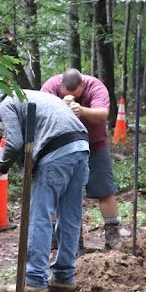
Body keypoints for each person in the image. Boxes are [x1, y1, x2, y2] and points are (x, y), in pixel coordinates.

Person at [0, 90, 89, 292]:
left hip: (57, 151)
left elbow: (14, 142)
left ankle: (34, 280)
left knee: (39, 215)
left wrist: (2, 166)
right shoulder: (32, 96)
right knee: (70, 216)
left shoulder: (7, 103)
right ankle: (63, 278)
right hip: (81, 146)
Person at [41, 68, 122, 251]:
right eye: (67, 94)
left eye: (76, 94)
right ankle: (61, 235)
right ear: (60, 85)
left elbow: (102, 114)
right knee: (61, 192)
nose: (72, 97)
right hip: (60, 148)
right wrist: (59, 107)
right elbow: (40, 114)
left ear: (82, 85)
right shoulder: (50, 87)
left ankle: (112, 233)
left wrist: (82, 110)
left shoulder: (95, 86)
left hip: (94, 146)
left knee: (105, 189)